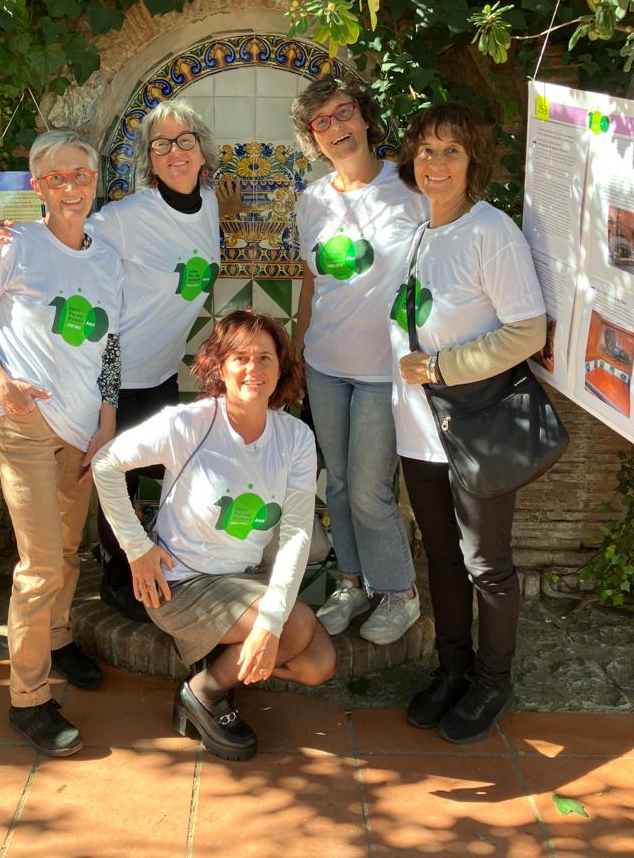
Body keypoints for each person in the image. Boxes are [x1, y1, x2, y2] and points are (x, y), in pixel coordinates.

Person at [0, 101, 223, 620]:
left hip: (160, 372)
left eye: (185, 140)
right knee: (120, 482)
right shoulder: (127, 217)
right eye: (161, 145)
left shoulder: (209, 203)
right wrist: (0, 231)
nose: (175, 152)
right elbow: (63, 221)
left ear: (202, 149)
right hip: (117, 375)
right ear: (149, 160)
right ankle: (117, 580)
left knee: (162, 472)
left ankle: (165, 564)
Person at [92, 310, 336, 761]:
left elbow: (297, 535)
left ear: (281, 367)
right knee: (297, 625)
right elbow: (106, 464)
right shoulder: (188, 424)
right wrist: (137, 548)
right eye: (240, 357)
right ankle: (205, 691)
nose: (253, 369)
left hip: (244, 580)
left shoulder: (296, 438)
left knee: (318, 665)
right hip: (181, 583)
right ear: (219, 367)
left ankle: (230, 653)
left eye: (265, 357)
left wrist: (267, 627)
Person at [0, 130, 124, 757]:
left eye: (81, 175)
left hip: (82, 429)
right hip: (24, 421)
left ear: (95, 180)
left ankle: (58, 637)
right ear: (38, 186)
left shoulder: (107, 259)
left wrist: (107, 420)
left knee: (69, 550)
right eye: (57, 178)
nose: (71, 187)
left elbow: (109, 346)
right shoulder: (13, 243)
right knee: (40, 564)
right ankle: (28, 698)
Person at [390, 103, 546, 744]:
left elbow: (527, 331)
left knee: (487, 564)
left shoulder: (491, 231)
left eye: (450, 150)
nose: (435, 162)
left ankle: (492, 681)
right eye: (425, 149)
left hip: (475, 427)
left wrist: (439, 367)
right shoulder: (421, 232)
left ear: (472, 160)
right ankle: (452, 669)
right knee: (441, 556)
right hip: (420, 431)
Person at [291, 76, 427, 644]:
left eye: (343, 112)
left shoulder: (411, 187)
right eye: (321, 122)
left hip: (384, 371)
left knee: (371, 490)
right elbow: (311, 283)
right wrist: (297, 350)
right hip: (325, 365)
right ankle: (351, 584)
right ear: (313, 138)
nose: (336, 128)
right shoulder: (312, 201)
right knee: (341, 486)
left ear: (365, 116)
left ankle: (399, 594)